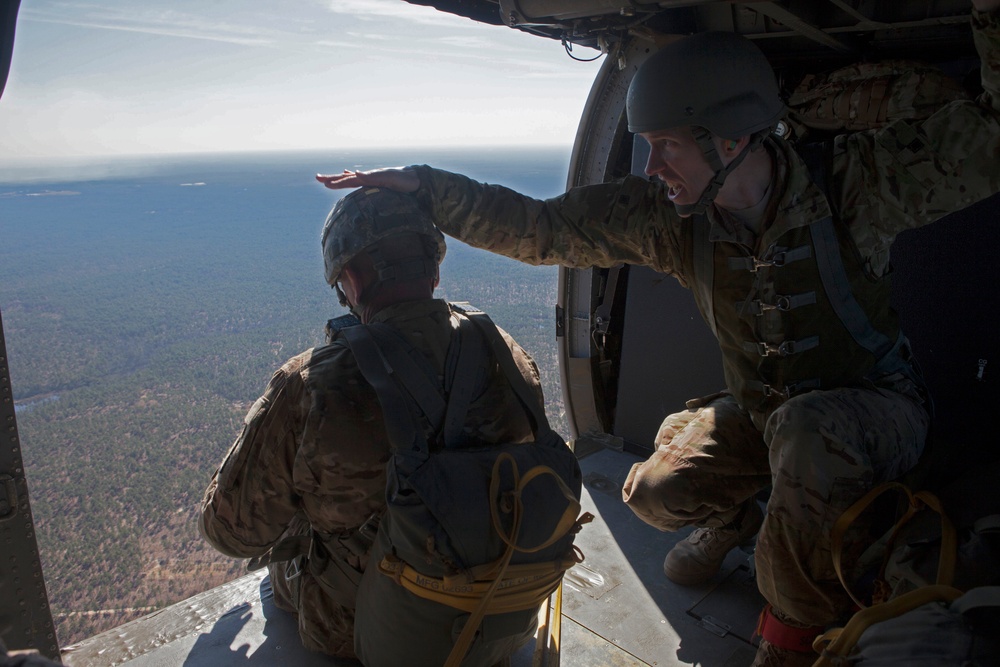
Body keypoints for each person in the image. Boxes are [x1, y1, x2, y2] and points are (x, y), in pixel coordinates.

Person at [316, 3, 1000, 664]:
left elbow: (991, 141)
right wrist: (425, 189)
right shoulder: (670, 221)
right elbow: (544, 228)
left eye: (667, 145)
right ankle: (748, 511)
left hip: (881, 410)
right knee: (651, 492)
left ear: (729, 140)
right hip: (772, 421)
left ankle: (789, 633)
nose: (650, 167)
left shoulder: (860, 184)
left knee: (805, 433)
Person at [198, 187, 548, 663]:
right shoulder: (510, 355)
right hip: (497, 611)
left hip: (360, 631)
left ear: (352, 280)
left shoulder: (312, 384)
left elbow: (232, 532)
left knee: (285, 554)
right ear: (435, 268)